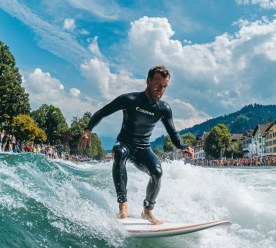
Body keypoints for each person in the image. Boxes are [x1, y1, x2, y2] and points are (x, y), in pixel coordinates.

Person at [78, 66, 194, 225]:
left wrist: (182, 146)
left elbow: (172, 132)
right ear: (148, 81)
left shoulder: (164, 108)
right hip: (125, 144)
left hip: (143, 150)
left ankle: (147, 211)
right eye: (158, 84)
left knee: (157, 173)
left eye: (165, 86)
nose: (161, 89)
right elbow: (102, 112)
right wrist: (88, 129)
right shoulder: (130, 100)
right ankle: (123, 204)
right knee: (118, 152)